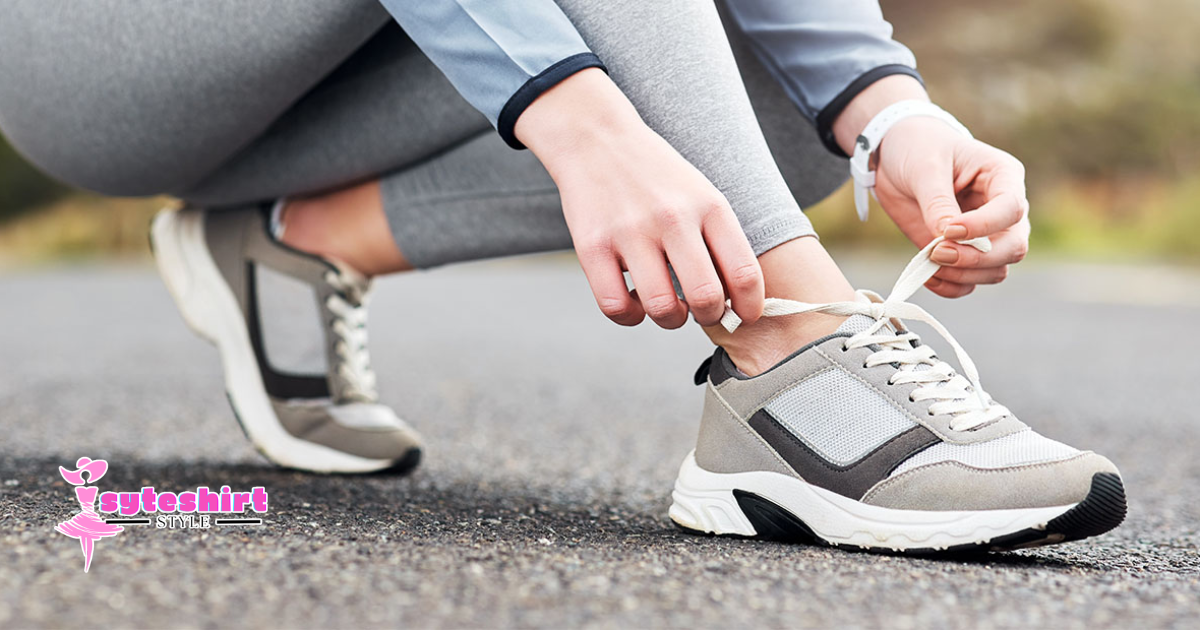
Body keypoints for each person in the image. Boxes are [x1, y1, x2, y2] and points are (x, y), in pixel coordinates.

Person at [0, 0, 1125, 553]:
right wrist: (581, 118)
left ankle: (296, 236)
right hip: (93, 54)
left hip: (326, 69)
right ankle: (793, 359)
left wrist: (888, 110)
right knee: (672, 111)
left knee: (782, 115)